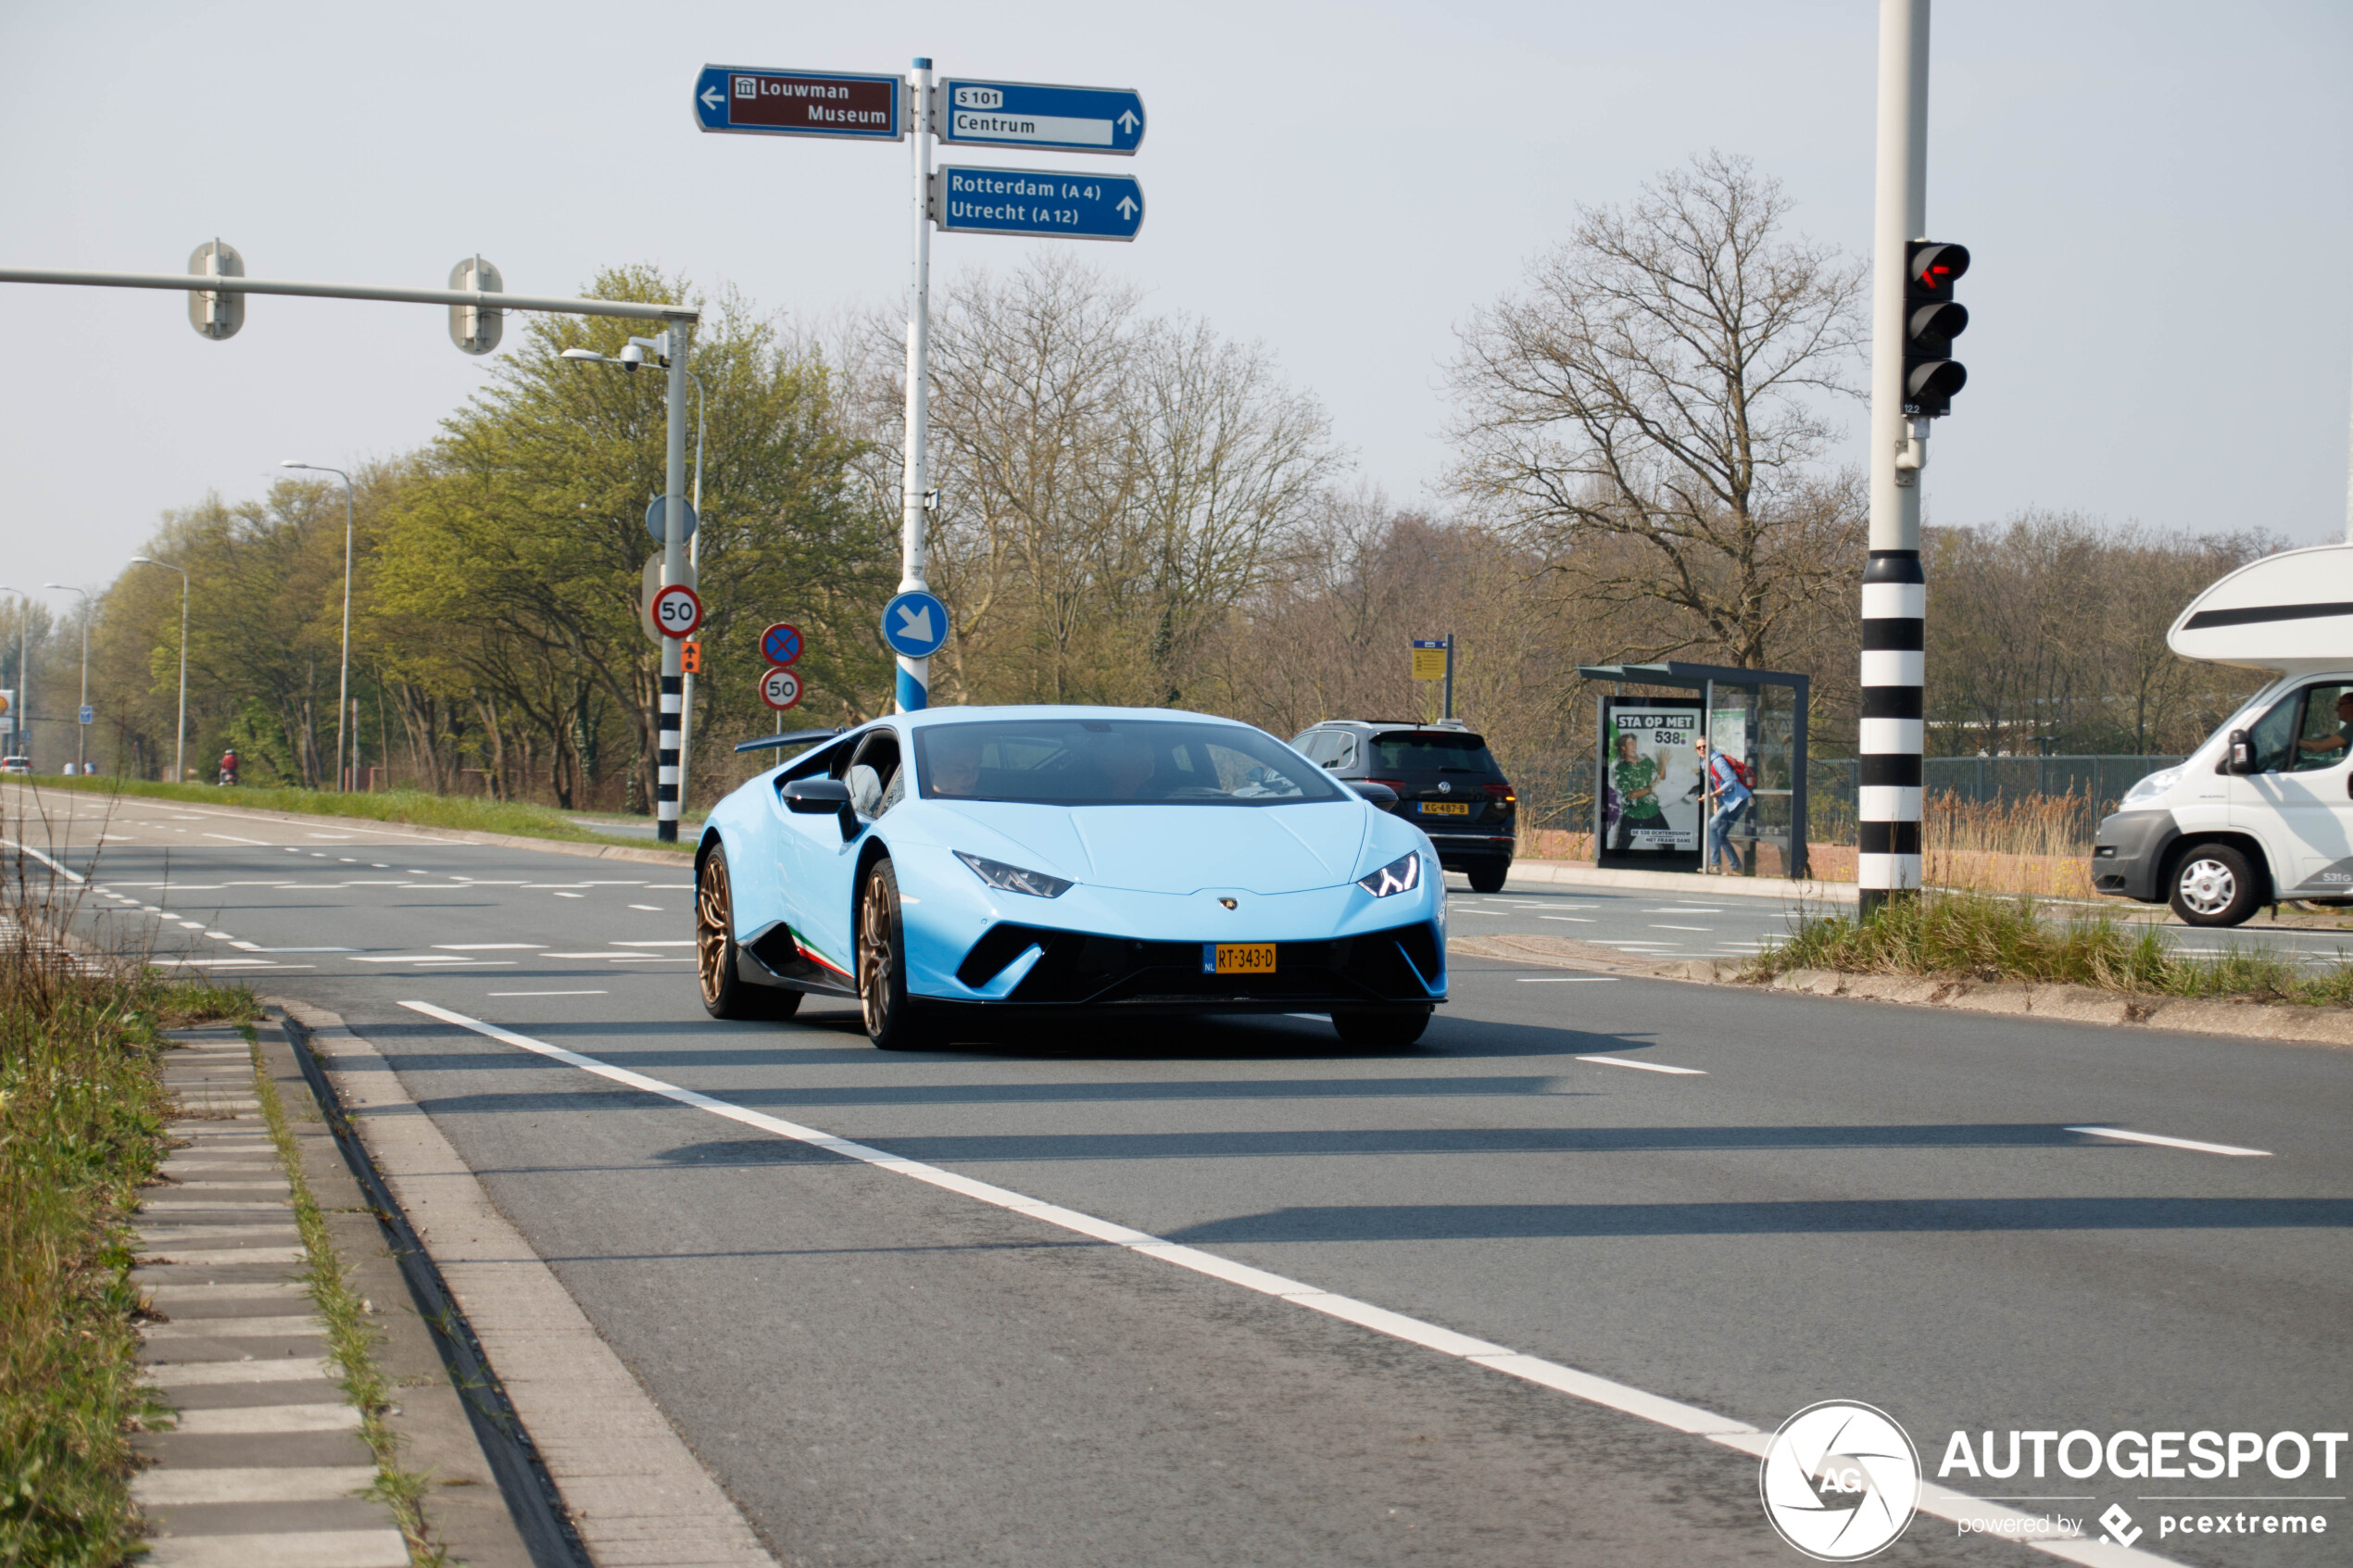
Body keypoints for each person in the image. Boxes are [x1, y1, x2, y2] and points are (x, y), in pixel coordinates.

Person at [1695, 734, 1751, 874]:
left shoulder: (1717, 761)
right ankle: (1737, 867)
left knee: (1711, 826)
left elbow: (1731, 781)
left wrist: (1713, 795)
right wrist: (1715, 801)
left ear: (1710, 747)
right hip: (1729, 801)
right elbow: (1714, 783)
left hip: (1738, 799)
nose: (1702, 749)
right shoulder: (1704, 763)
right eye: (1699, 747)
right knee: (1720, 834)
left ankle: (1715, 866)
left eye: (1705, 746)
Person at [1607, 732, 1664, 853]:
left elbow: (1658, 780)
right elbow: (1630, 795)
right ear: (1623, 747)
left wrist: (1663, 764)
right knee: (1621, 849)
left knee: (1670, 844)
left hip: (1653, 811)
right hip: (1634, 815)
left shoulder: (1646, 760)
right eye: (1630, 743)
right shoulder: (1620, 768)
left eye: (1635, 743)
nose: (1634, 746)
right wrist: (1649, 789)